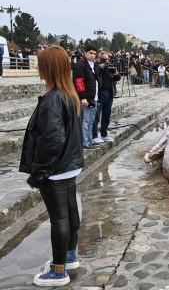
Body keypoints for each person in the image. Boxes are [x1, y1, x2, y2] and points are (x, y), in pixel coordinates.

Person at [19, 46, 83, 287]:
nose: (37, 67)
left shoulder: (53, 99)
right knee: (70, 212)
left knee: (59, 218)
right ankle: (70, 256)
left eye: (40, 63)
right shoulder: (69, 95)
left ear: (50, 68)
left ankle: (58, 272)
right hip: (70, 165)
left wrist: (38, 173)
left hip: (55, 169)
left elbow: (51, 141)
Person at [72, 45, 100, 150]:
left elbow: (97, 82)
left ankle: (89, 139)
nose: (92, 55)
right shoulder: (80, 65)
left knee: (91, 121)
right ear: (85, 53)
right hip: (86, 99)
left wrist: (99, 98)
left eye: (94, 53)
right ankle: (84, 142)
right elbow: (79, 82)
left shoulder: (94, 65)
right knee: (85, 121)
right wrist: (83, 97)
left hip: (94, 98)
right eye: (90, 53)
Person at [92, 50, 121, 144]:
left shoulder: (109, 66)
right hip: (100, 94)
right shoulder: (95, 66)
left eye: (107, 59)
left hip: (110, 93)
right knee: (96, 116)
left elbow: (118, 78)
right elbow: (94, 76)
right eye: (104, 59)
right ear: (99, 58)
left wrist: (116, 73)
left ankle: (104, 134)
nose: (106, 61)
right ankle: (94, 135)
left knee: (106, 115)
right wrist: (100, 68)